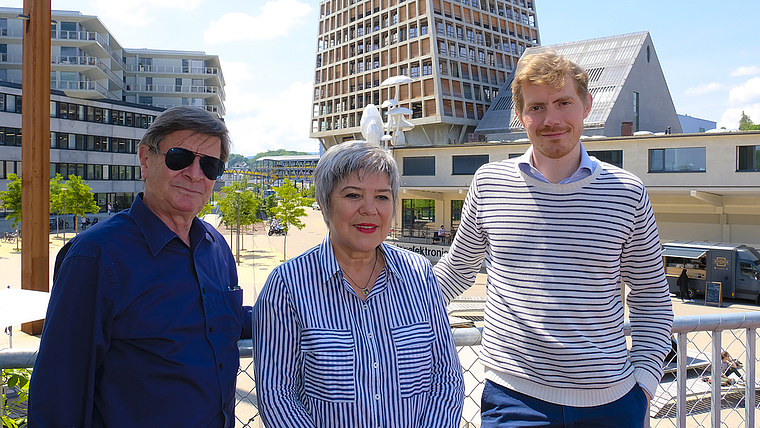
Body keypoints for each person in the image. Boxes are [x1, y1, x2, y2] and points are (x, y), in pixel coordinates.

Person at [433, 51, 673, 428]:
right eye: (537, 107)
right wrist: (380, 295)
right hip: (513, 401)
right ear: (520, 114)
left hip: (612, 404)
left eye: (564, 103)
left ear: (586, 106)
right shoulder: (489, 183)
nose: (552, 119)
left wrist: (643, 387)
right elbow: (455, 273)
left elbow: (652, 299)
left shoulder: (627, 192)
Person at [29, 106, 252, 428]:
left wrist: (296, 312)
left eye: (210, 165)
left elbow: (220, 320)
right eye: (179, 158)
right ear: (146, 159)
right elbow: (59, 387)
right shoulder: (95, 256)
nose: (194, 173)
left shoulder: (215, 247)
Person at [253, 141, 464, 428]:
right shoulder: (287, 287)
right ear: (325, 202)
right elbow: (278, 395)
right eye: (353, 195)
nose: (369, 209)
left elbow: (446, 377)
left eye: (382, 197)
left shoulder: (419, 276)